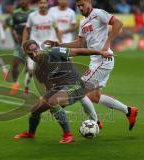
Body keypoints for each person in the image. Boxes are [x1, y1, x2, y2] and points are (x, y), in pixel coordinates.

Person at [44, 0, 138, 130]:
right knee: (94, 96)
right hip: (96, 61)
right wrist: (59, 45)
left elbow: (118, 23)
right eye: (78, 6)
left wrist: (107, 44)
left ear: (89, 2)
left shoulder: (98, 13)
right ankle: (128, 111)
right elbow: (79, 44)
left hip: (103, 61)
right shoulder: (83, 22)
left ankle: (95, 121)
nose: (80, 8)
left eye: (82, 5)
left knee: (79, 89)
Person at [14, 40, 112, 144]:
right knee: (35, 109)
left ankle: (68, 135)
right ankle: (30, 133)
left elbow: (78, 51)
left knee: (53, 101)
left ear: (39, 47)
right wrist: (47, 102)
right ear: (26, 54)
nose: (34, 54)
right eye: (30, 53)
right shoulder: (38, 70)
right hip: (59, 89)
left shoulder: (53, 52)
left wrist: (100, 52)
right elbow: (49, 88)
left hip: (76, 86)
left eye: (35, 50)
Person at [21, 0, 62, 96]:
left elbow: (56, 29)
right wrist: (23, 43)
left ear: (47, 4)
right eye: (40, 3)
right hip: (33, 48)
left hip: (47, 48)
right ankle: (26, 85)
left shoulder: (52, 16)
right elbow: (26, 29)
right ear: (38, 4)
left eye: (44, 3)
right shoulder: (32, 16)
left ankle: (47, 94)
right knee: (31, 71)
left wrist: (61, 42)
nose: (42, 5)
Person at [9, 0, 35, 96]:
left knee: (30, 69)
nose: (22, 1)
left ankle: (26, 86)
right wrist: (15, 37)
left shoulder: (33, 12)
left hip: (31, 44)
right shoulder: (16, 13)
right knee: (15, 64)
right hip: (19, 43)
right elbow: (12, 27)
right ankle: (15, 83)